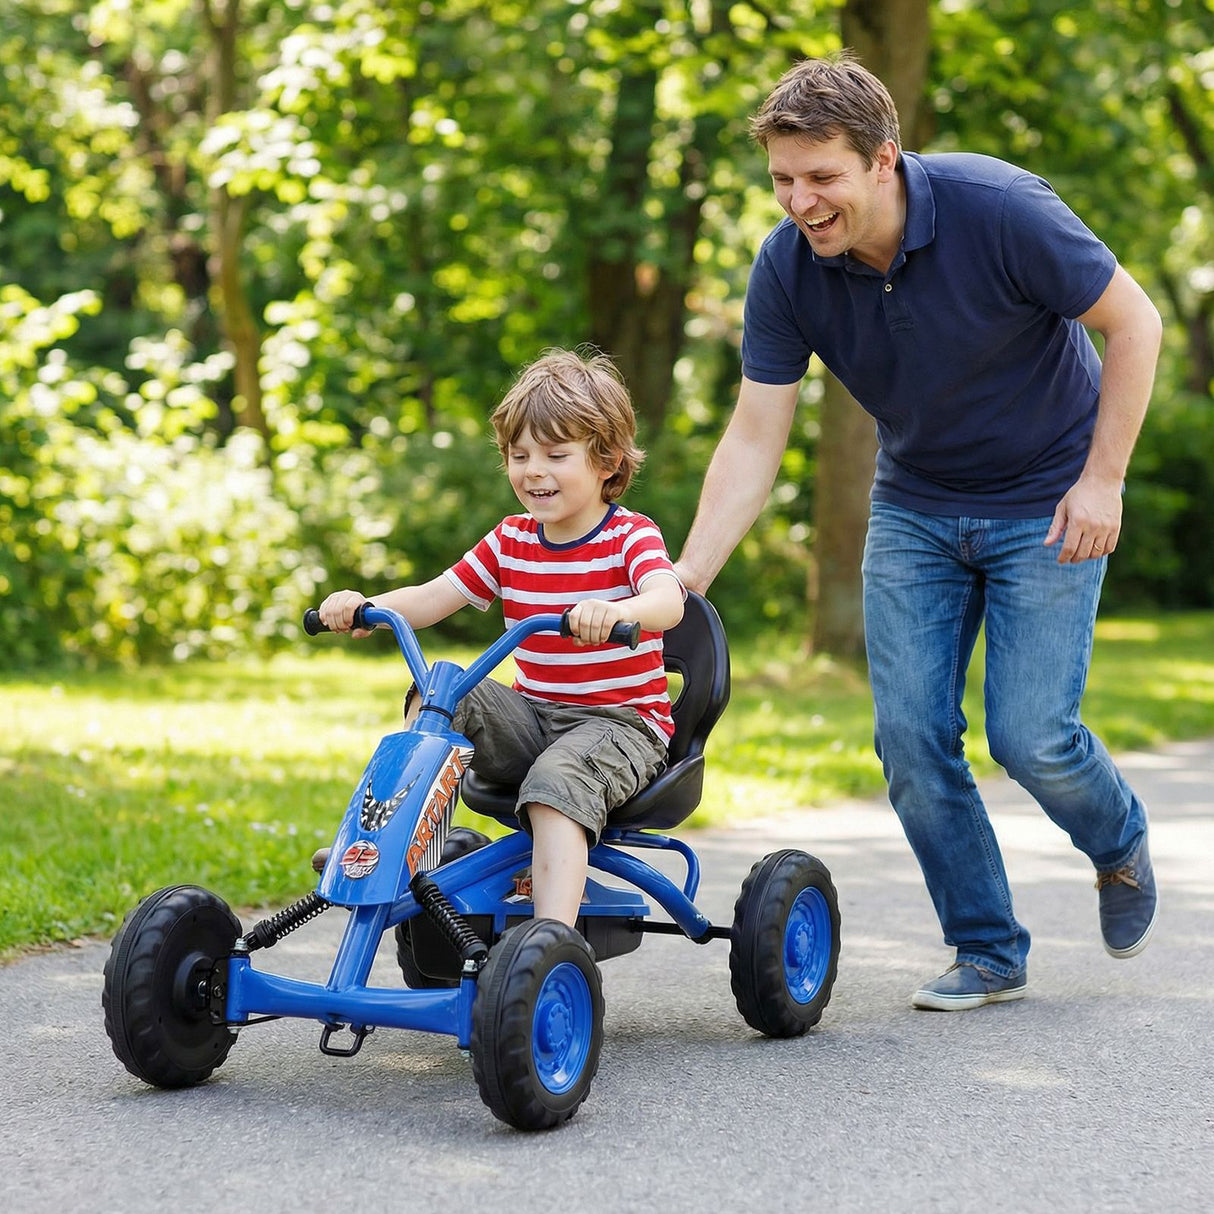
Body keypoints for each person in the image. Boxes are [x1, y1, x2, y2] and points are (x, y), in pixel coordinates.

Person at [674, 54, 1163, 1010]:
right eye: (782, 179)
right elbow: (755, 431)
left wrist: (1103, 481)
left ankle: (1119, 844)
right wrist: (687, 574)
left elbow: (1135, 323)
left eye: (822, 178)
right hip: (918, 508)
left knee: (1033, 737)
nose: (800, 202)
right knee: (909, 738)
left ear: (883, 159)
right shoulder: (788, 269)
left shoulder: (1001, 208)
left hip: (1050, 497)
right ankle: (986, 948)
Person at [318, 347, 685, 928]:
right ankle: (392, 848)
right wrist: (365, 607)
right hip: (532, 718)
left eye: (556, 454)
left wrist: (615, 608)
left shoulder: (629, 536)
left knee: (554, 786)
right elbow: (437, 596)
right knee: (442, 691)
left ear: (607, 462)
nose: (533, 470)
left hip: (618, 725)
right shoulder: (512, 539)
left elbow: (669, 601)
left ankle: (551, 942)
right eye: (520, 455)